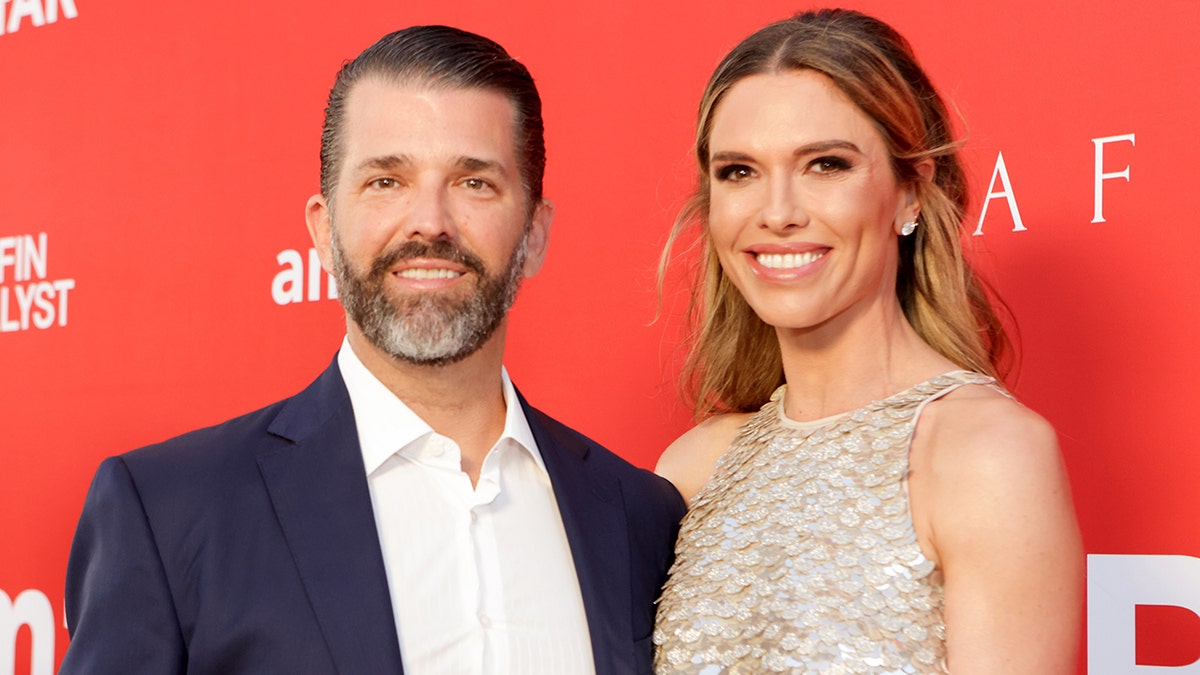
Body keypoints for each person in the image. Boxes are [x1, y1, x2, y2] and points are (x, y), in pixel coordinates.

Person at [62, 25, 685, 675]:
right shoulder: (167, 512)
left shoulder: (639, 517)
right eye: (386, 181)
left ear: (533, 234)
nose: (430, 221)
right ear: (323, 230)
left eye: (474, 182)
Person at [652, 9, 1081, 674]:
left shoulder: (987, 455)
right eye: (739, 171)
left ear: (910, 192)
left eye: (825, 164)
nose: (778, 211)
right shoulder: (693, 468)